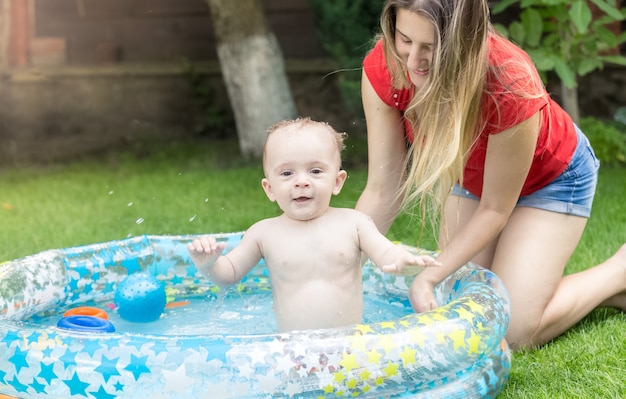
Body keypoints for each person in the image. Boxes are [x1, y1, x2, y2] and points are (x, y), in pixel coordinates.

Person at [356, 0, 626, 350]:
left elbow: (496, 209)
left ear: (464, 41)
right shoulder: (385, 66)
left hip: (552, 179)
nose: (411, 62)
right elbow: (382, 188)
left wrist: (430, 276)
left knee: (509, 329)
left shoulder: (509, 81)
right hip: (470, 179)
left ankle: (617, 273)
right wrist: (339, 263)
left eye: (430, 48)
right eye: (404, 39)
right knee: (463, 309)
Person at [188, 117, 440, 332]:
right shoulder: (263, 233)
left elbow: (385, 252)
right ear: (269, 188)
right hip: (292, 350)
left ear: (337, 181)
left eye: (316, 171)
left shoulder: (355, 223)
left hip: (348, 346)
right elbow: (229, 274)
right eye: (287, 173)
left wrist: (401, 261)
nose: (301, 182)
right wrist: (210, 264)